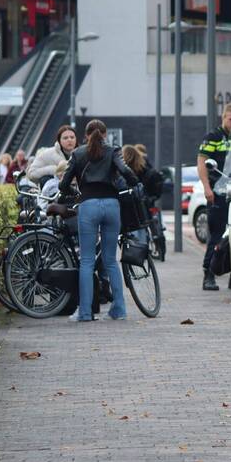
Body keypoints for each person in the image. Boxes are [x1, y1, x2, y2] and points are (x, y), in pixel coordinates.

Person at [59, 120, 139, 322]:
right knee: (111, 260)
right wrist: (136, 184)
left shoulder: (77, 154)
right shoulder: (113, 151)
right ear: (105, 135)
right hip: (112, 206)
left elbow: (63, 184)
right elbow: (126, 171)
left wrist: (75, 194)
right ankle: (119, 309)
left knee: (86, 262)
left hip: (88, 206)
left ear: (85, 136)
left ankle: (85, 312)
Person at [197, 104, 231, 290]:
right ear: (223, 118)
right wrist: (207, 187)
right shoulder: (213, 137)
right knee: (216, 234)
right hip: (218, 192)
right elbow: (201, 162)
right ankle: (208, 274)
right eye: (230, 119)